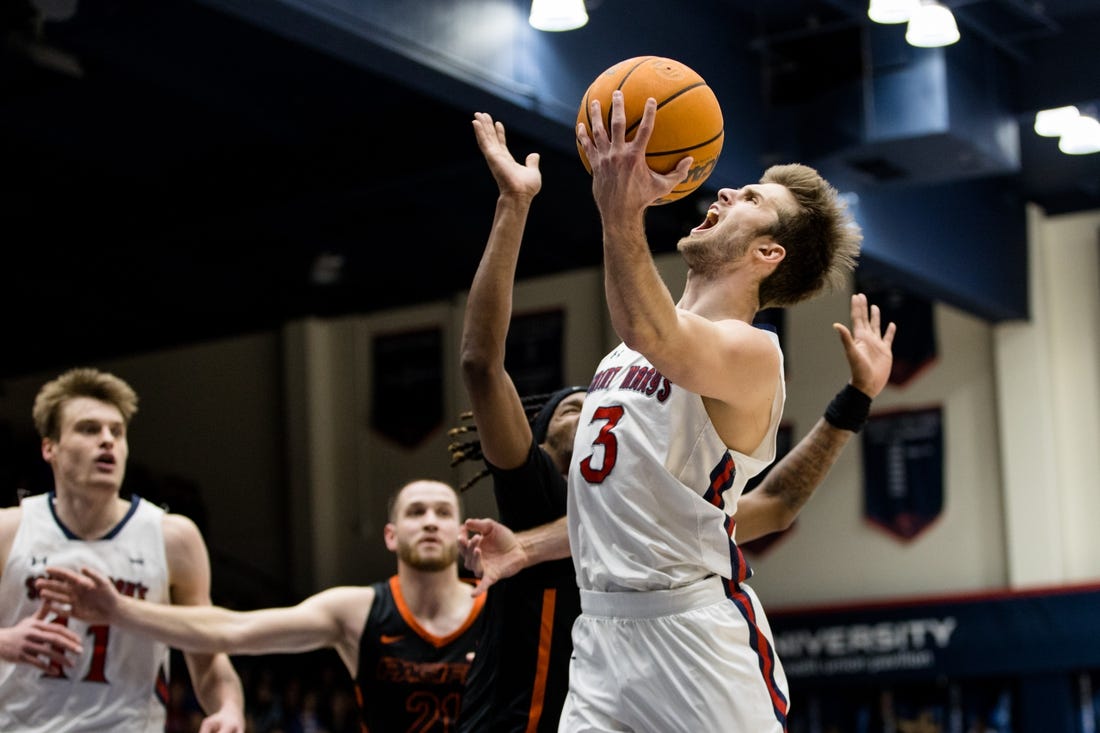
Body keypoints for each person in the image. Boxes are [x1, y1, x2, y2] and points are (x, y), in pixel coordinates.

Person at [37, 478, 487, 733]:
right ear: (391, 535)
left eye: (443, 512)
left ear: (460, 531)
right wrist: (119, 611)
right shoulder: (357, 610)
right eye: (416, 512)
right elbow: (231, 631)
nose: (430, 521)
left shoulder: (495, 608)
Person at [0, 367, 246, 732]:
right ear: (49, 447)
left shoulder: (173, 538)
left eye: (117, 431)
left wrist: (229, 708)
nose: (107, 441)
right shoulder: (8, 529)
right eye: (89, 429)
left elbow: (208, 654)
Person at [448, 110, 586, 732]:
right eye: (574, 404)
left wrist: (852, 402)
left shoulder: (636, 507)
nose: (592, 408)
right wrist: (513, 204)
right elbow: (480, 363)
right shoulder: (537, 490)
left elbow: (768, 509)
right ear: (539, 434)